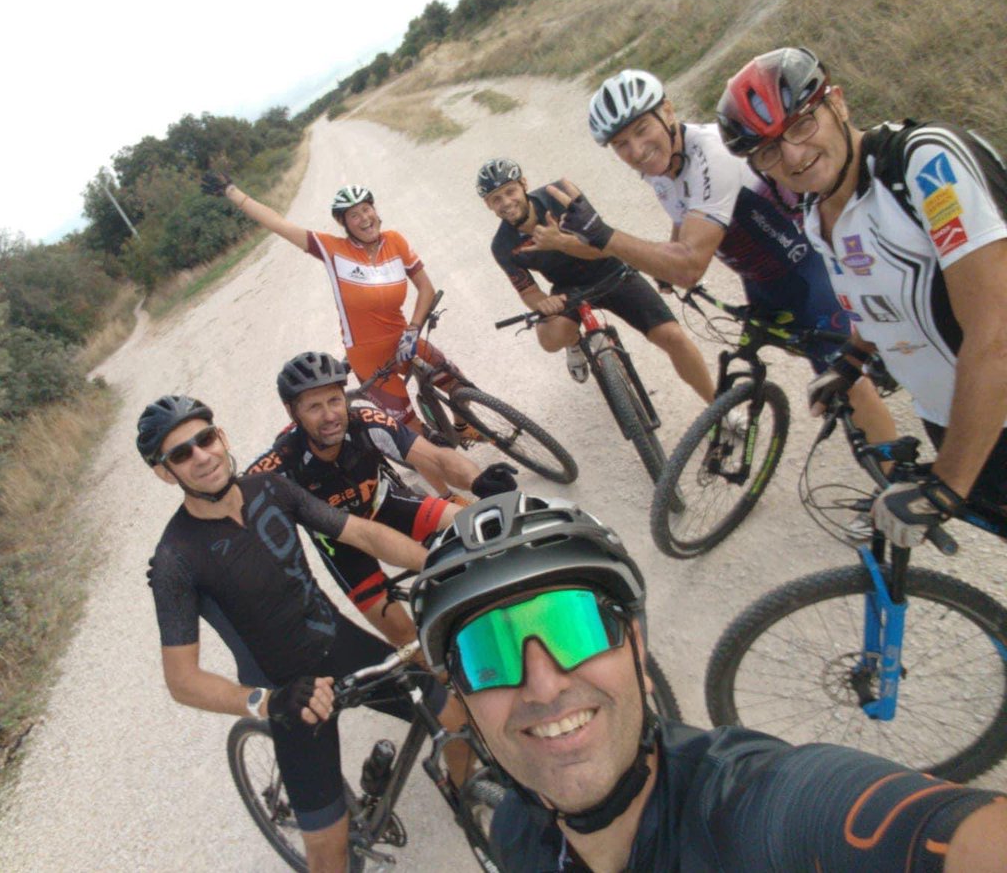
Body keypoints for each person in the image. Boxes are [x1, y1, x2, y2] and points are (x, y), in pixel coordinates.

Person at [406, 492, 1007, 871]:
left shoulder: (754, 809)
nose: (542, 685)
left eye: (573, 628)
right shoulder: (516, 832)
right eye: (487, 653)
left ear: (638, 650)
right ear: (463, 700)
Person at [138, 394, 468, 872]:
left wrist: (439, 561)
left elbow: (362, 534)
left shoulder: (270, 488)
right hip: (287, 692)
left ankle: (471, 807)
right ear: (165, 473)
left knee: (452, 717)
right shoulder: (175, 559)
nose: (202, 456)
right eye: (181, 454)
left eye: (205, 439)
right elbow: (182, 681)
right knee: (328, 854)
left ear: (221, 436)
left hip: (339, 645)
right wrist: (266, 703)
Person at [716, 47, 1007, 547]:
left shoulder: (924, 163)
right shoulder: (816, 210)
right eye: (766, 151)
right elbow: (877, 301)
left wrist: (947, 484)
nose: (792, 156)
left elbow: (997, 331)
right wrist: (852, 360)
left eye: (802, 125)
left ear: (840, 104)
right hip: (955, 416)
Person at [522, 69, 895, 448]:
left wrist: (604, 235)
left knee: (848, 384)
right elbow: (682, 211)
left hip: (808, 273)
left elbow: (689, 266)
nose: (635, 151)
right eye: (621, 144)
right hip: (764, 281)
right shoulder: (662, 163)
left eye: (640, 131)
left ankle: (895, 478)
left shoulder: (712, 152)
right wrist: (662, 257)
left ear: (667, 111)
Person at [247, 350, 519, 647]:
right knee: (405, 637)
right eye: (314, 407)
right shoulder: (280, 463)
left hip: (385, 505)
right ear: (292, 412)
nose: (329, 416)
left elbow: (437, 458)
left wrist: (476, 480)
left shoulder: (364, 420)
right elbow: (234, 514)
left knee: (473, 529)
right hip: (340, 545)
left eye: (335, 400)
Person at [201, 170, 470, 437]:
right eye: (354, 215)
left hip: (403, 338)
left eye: (366, 209)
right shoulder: (333, 250)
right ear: (345, 223)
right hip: (368, 355)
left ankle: (464, 428)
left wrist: (413, 329)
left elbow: (426, 288)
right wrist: (232, 192)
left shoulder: (395, 241)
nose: (364, 218)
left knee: (457, 383)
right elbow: (279, 224)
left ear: (375, 210)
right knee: (416, 435)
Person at [476, 158, 715, 403]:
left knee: (672, 337)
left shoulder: (560, 196)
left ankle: (718, 406)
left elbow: (605, 247)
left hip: (610, 269)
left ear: (523, 184)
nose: (506, 202)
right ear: (488, 205)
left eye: (510, 191)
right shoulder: (502, 246)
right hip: (568, 288)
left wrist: (559, 242)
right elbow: (527, 290)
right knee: (550, 339)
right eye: (496, 198)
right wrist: (544, 303)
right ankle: (575, 343)